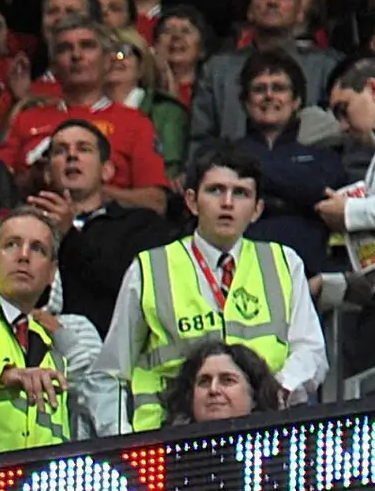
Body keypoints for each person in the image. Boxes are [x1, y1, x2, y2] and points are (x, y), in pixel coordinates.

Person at [99, 151, 324, 424]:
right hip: (165, 437)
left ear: (257, 210)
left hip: (263, 431)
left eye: (240, 193)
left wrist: (275, 393)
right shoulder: (150, 268)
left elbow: (311, 351)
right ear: (192, 201)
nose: (227, 203)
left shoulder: (284, 262)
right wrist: (120, 440)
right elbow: (111, 372)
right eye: (216, 190)